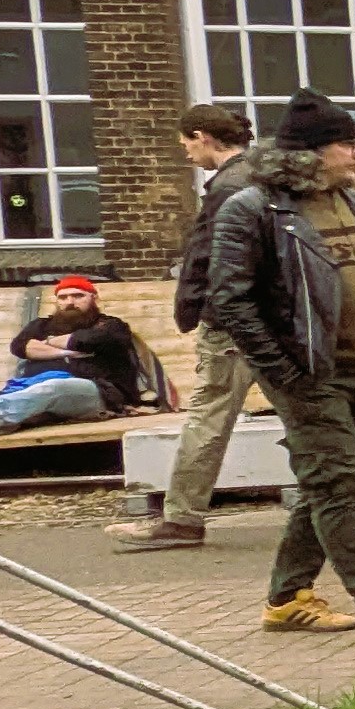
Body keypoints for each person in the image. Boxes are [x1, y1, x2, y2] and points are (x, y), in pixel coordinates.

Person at [204, 88, 355, 641]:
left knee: (324, 486)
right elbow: (230, 300)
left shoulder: (354, 201)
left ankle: (288, 598)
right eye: (348, 145)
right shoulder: (254, 209)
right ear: (309, 153)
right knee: (339, 482)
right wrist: (285, 372)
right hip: (308, 374)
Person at [113, 106, 259, 550]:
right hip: (272, 316)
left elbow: (206, 255)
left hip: (232, 319)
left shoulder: (227, 188)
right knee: (306, 410)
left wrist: (190, 307)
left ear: (202, 136)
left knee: (209, 415)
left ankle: (181, 519)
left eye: (186, 145)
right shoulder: (265, 177)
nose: (187, 156)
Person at [0, 274, 148, 438]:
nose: (70, 302)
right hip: (37, 389)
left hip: (99, 393)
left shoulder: (112, 326)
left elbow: (91, 339)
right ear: (57, 301)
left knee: (54, 387)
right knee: (32, 393)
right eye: (63, 297)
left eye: (78, 296)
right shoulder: (41, 325)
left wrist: (46, 344)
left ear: (93, 298)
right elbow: (20, 347)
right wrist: (69, 350)